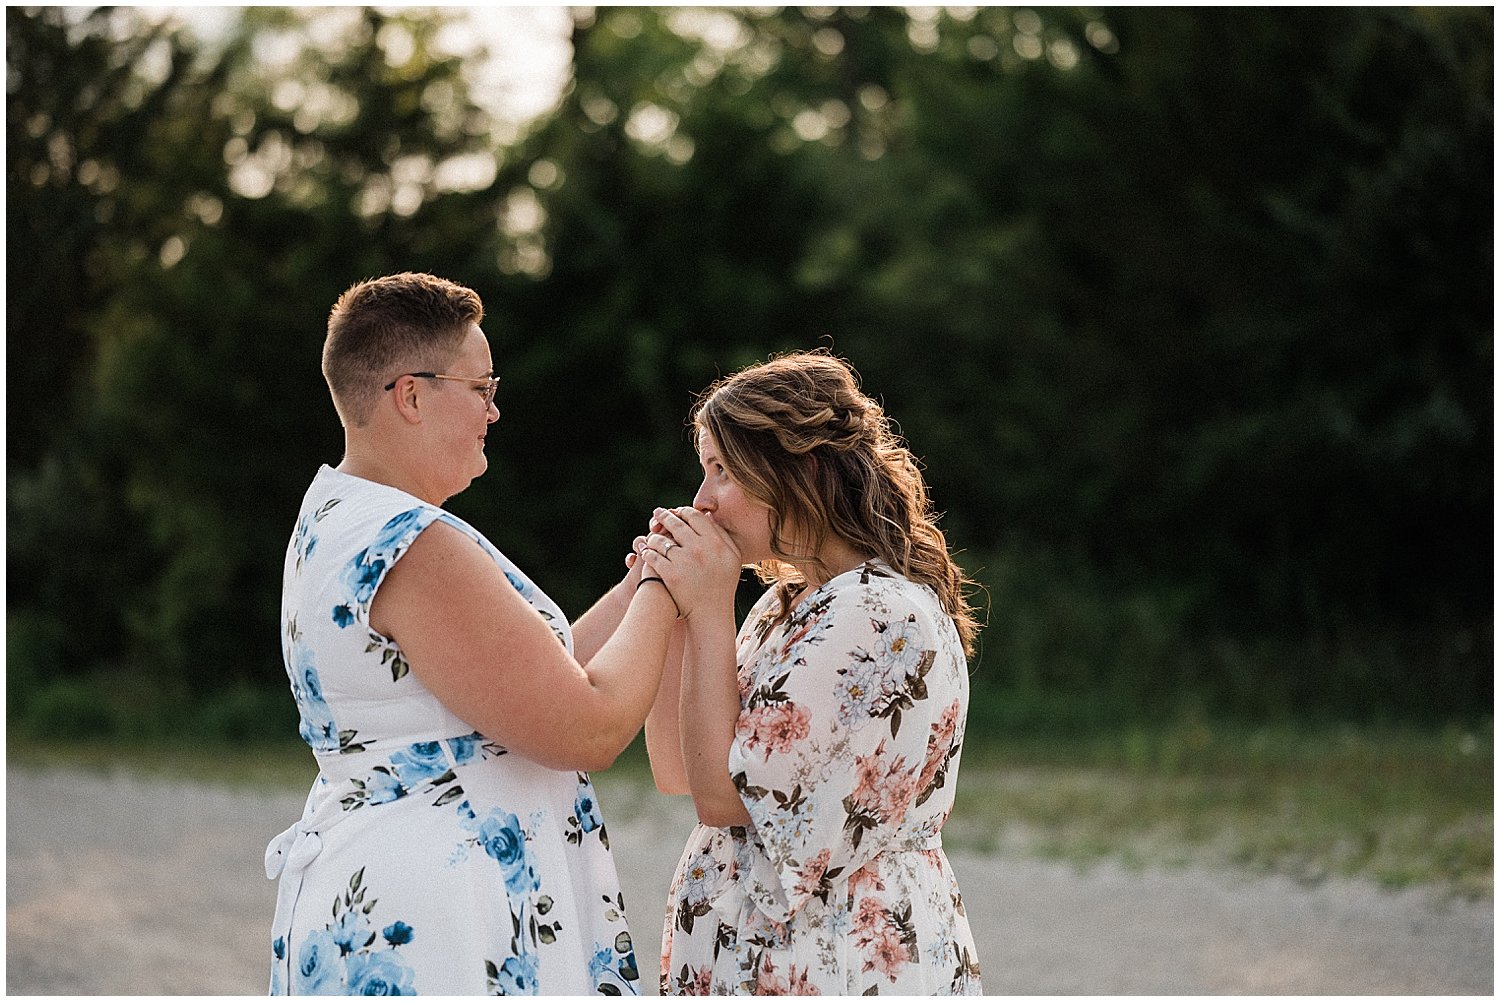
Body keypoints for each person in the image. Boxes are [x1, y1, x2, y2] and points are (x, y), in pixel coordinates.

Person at [265, 272, 680, 995]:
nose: (495, 411)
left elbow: (521, 687)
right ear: (413, 394)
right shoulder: (412, 544)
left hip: (388, 885)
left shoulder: (341, 516)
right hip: (438, 919)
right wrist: (666, 589)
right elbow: (585, 728)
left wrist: (631, 587)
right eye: (482, 387)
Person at [635, 350, 985, 995]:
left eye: (722, 471)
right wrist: (680, 612)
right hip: (765, 948)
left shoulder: (877, 613)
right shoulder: (788, 604)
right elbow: (676, 772)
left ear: (803, 471)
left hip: (838, 952)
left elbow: (722, 799)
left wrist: (710, 604)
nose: (701, 500)